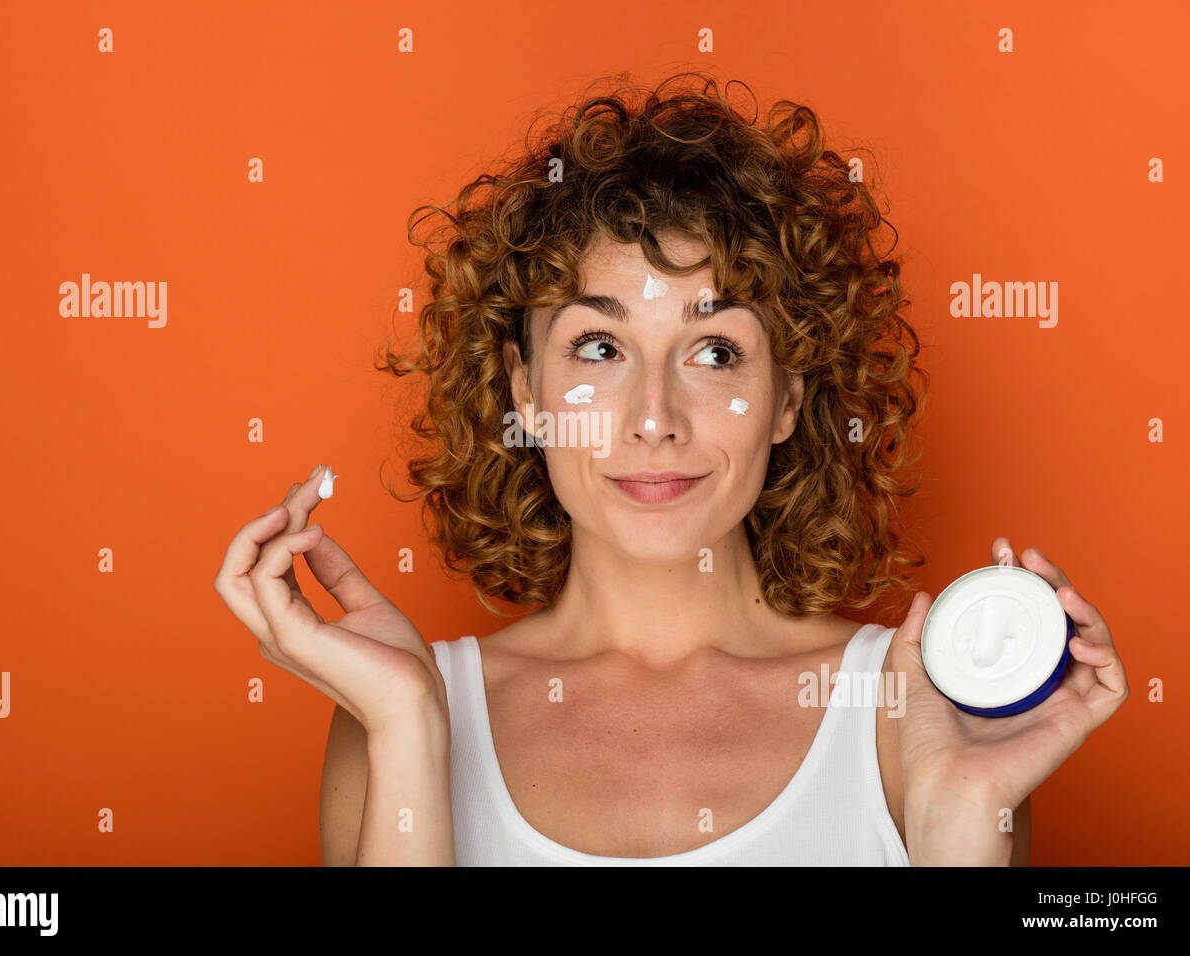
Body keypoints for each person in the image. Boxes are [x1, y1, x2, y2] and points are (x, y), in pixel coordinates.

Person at [213, 72, 1128, 866]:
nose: (655, 420)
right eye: (600, 347)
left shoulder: (916, 717)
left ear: (789, 399)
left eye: (716, 352)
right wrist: (409, 727)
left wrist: (964, 831)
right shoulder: (396, 717)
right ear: (527, 396)